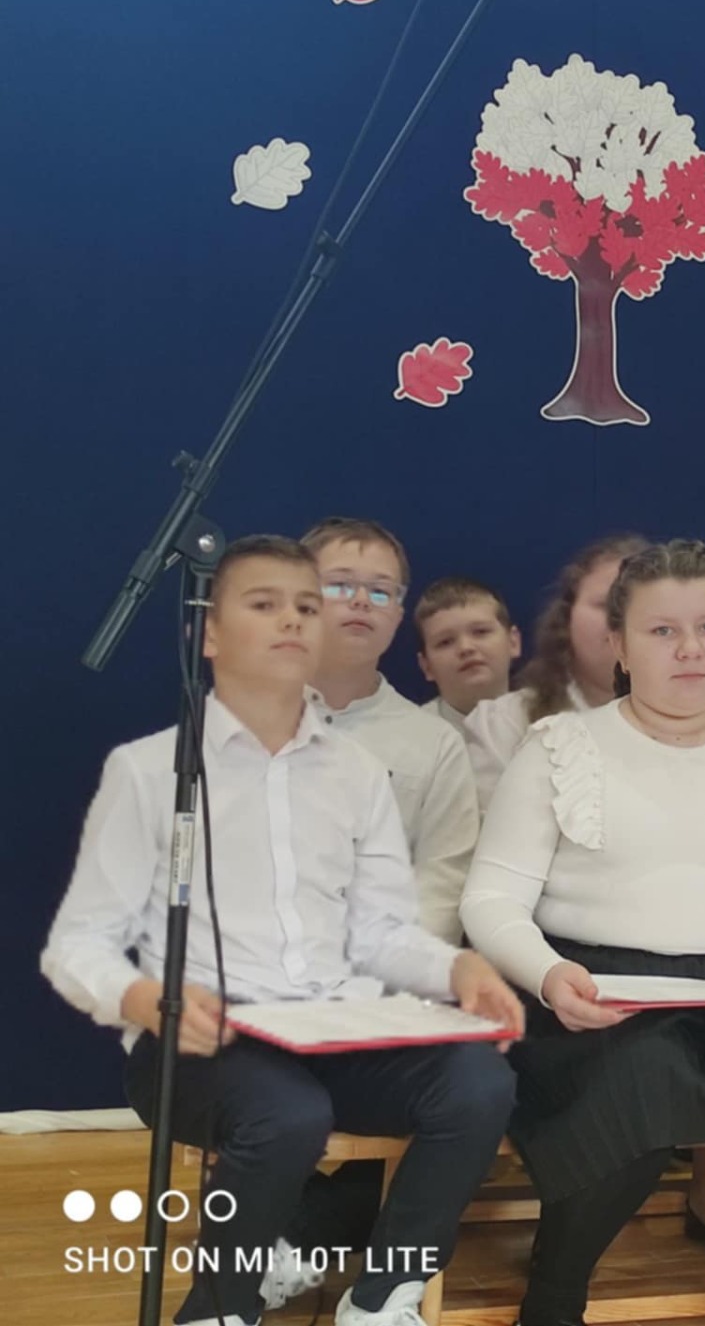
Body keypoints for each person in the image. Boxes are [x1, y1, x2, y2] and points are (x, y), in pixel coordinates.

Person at [41, 534, 521, 1326]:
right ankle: (218, 1308)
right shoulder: (152, 769)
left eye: (304, 606)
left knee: (478, 1083)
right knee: (287, 1114)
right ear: (210, 633)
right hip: (203, 1042)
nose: (294, 621)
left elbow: (380, 932)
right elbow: (76, 945)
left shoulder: (354, 772)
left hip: (335, 1031)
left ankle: (383, 1296)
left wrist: (454, 970)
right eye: (265, 605)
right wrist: (140, 997)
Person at [462, 540, 705, 1326]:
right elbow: (492, 898)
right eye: (662, 631)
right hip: (590, 988)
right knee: (646, 1075)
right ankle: (554, 1298)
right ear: (618, 645)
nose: (691, 649)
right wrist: (547, 975)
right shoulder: (562, 748)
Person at [302, 517, 480, 946]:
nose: (362, 601)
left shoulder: (434, 744)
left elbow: (442, 886)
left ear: (397, 616)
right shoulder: (241, 721)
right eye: (341, 585)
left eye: (381, 591)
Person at [463, 533, 646, 809]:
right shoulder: (504, 723)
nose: (622, 620)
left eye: (643, 607)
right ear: (567, 617)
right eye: (607, 604)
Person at [414, 574, 521, 726]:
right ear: (427, 667)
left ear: (513, 642)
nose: (466, 648)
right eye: (445, 642)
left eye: (481, 632)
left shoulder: (549, 720)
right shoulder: (408, 734)